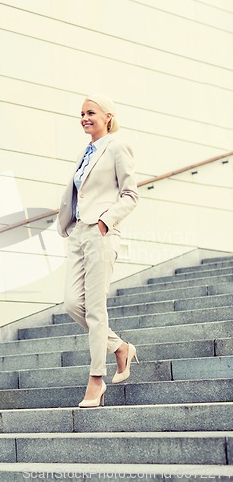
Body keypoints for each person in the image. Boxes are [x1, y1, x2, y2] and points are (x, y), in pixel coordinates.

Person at [57, 94, 139, 408]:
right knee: (71, 303)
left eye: (91, 112)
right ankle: (120, 348)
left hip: (101, 232)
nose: (84, 118)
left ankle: (95, 379)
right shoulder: (85, 152)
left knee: (94, 308)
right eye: (81, 114)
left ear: (107, 116)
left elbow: (131, 195)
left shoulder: (118, 147)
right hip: (78, 232)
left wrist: (105, 222)